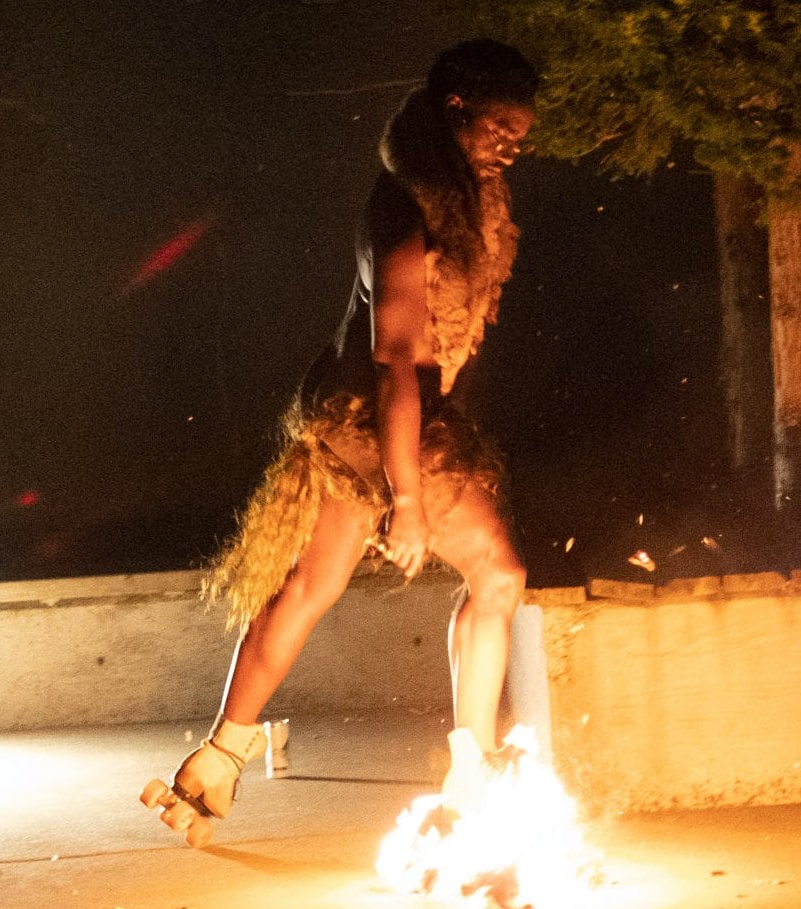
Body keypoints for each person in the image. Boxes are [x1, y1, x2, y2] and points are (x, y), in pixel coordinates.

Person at [155, 40, 539, 841]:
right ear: (455, 110)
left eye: (521, 130)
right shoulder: (405, 209)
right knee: (498, 575)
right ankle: (469, 777)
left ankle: (217, 759)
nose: (514, 143)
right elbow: (396, 359)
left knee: (310, 587)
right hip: (377, 420)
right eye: (499, 125)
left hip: (380, 418)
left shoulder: (468, 210)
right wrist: (405, 497)